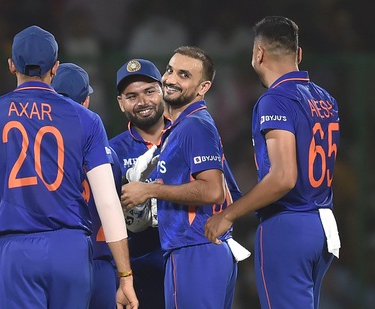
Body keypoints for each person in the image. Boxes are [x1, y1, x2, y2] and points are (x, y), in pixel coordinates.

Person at [0, 25, 138, 309]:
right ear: (55, 68)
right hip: (71, 249)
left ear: (11, 65)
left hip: (16, 253)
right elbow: (108, 203)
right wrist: (125, 277)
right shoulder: (86, 119)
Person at [205, 16, 341, 309]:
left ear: (258, 54)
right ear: (299, 55)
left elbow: (283, 178)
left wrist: (228, 215)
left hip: (288, 225)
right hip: (323, 224)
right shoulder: (326, 98)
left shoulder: (274, 100)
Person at [120, 47, 241, 308]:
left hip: (194, 249)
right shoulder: (185, 127)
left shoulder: (194, 126)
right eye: (170, 70)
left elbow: (213, 191)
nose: (171, 79)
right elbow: (231, 192)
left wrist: (150, 191)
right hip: (203, 249)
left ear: (203, 87)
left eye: (184, 75)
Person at [52, 62, 122, 309]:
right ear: (86, 101)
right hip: (100, 261)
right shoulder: (109, 155)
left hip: (56, 257)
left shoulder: (38, 152)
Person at [109, 58, 168, 309]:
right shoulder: (112, 150)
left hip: (186, 260)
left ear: (163, 90)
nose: (143, 102)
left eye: (149, 91)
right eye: (131, 96)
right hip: (138, 268)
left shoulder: (187, 135)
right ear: (121, 103)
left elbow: (225, 192)